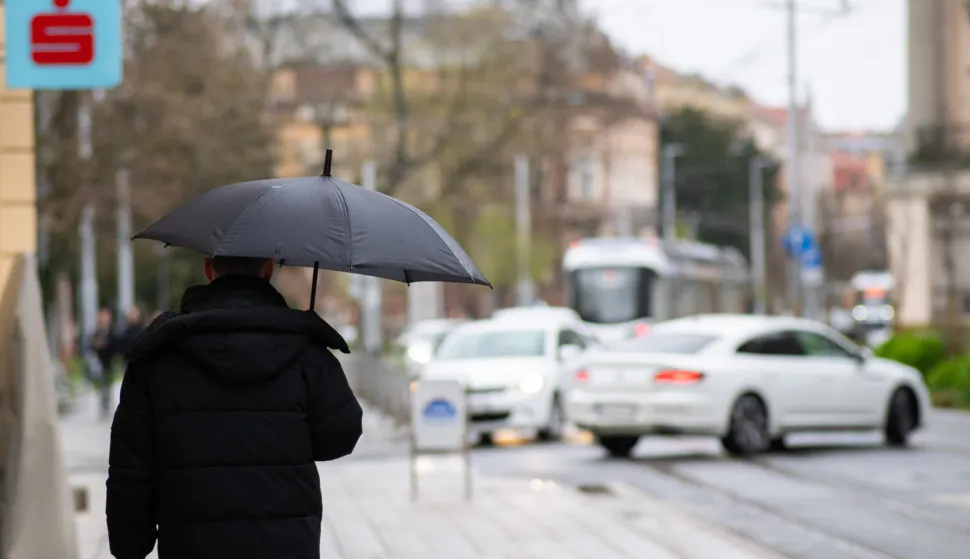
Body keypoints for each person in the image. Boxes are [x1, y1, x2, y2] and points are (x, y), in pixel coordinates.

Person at [106, 255, 363, 559]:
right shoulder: (307, 353)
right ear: (268, 269)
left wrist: (130, 545)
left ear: (208, 268)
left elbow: (131, 471)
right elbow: (341, 435)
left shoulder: (157, 356)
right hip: (286, 545)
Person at [89, 308, 119, 418]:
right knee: (102, 385)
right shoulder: (96, 332)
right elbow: (91, 346)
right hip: (98, 362)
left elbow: (115, 346)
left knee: (107, 384)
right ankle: (103, 405)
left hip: (108, 362)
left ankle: (106, 404)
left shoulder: (112, 332)